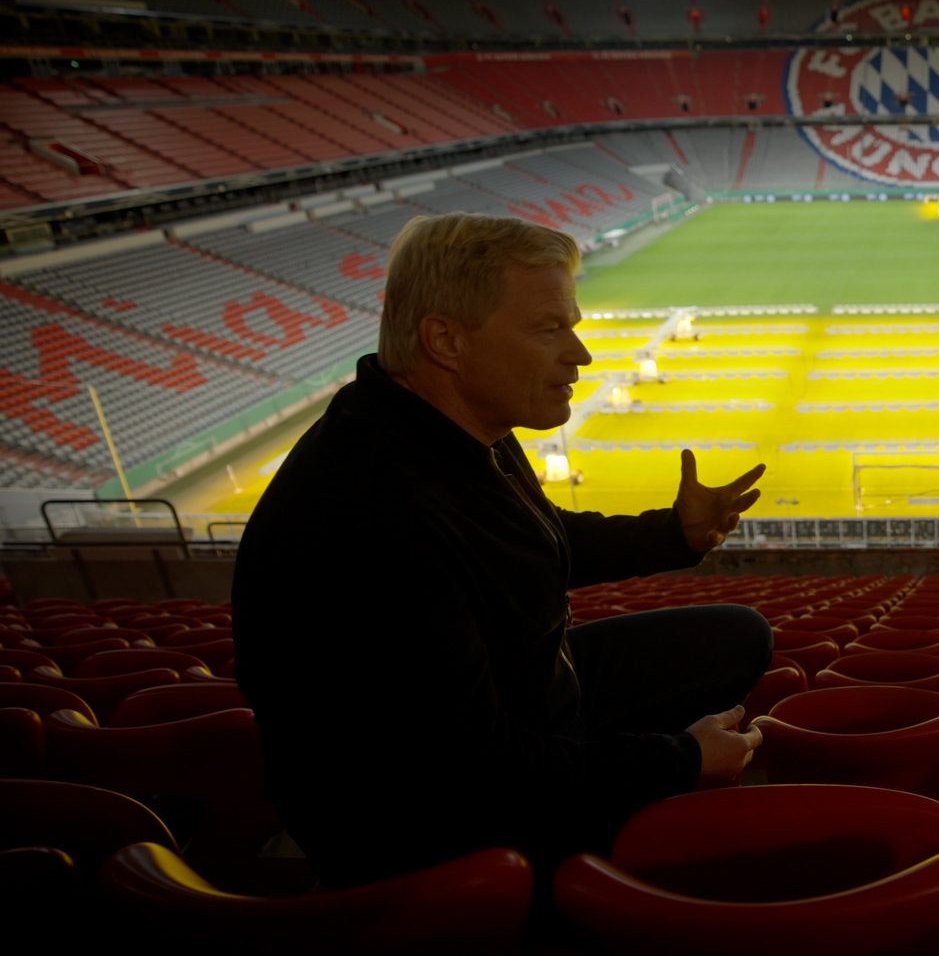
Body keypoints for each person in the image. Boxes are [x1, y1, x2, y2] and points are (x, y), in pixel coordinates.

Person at [234, 213, 772, 889]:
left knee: (738, 636)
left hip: (515, 705)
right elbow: (478, 775)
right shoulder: (369, 516)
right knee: (715, 839)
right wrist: (680, 761)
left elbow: (529, 537)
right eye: (549, 329)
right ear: (446, 340)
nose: (581, 354)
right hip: (425, 828)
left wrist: (672, 534)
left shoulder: (451, 423)